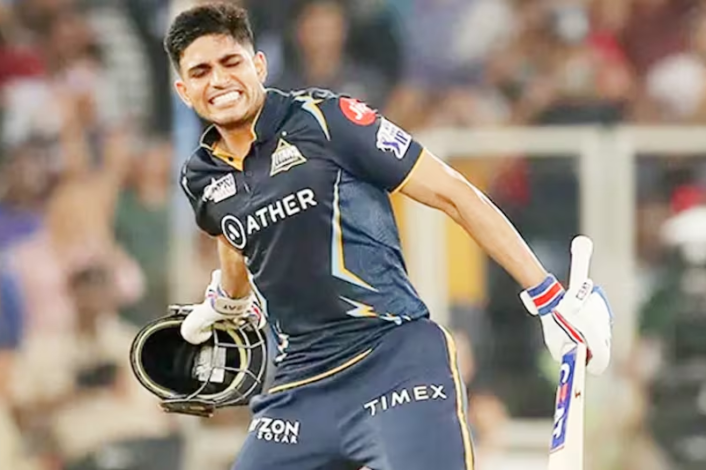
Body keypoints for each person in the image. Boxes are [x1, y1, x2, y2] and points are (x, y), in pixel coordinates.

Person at [163, 3, 613, 470]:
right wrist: (226, 303)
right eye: (201, 72)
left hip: (393, 363)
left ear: (258, 65)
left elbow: (454, 194)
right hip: (299, 388)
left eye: (230, 62)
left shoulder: (327, 120)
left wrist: (547, 295)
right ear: (183, 90)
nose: (219, 80)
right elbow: (236, 239)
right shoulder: (201, 177)